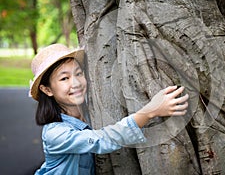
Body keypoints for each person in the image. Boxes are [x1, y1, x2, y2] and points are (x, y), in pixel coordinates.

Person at [29, 44, 189, 175]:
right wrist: (150, 111)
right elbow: (102, 139)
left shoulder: (91, 113)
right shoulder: (55, 134)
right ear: (47, 90)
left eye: (78, 73)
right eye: (64, 78)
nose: (76, 83)